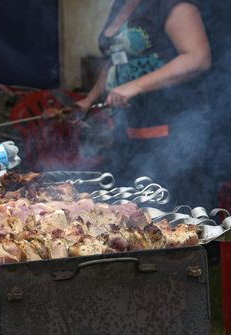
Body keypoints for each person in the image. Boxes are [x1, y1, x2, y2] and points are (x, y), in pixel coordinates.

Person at [76, 0, 213, 208]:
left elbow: (198, 58)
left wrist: (134, 87)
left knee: (172, 211)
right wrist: (89, 100)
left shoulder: (168, 4)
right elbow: (114, 59)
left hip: (172, 125)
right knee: (129, 210)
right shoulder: (120, 5)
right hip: (128, 127)